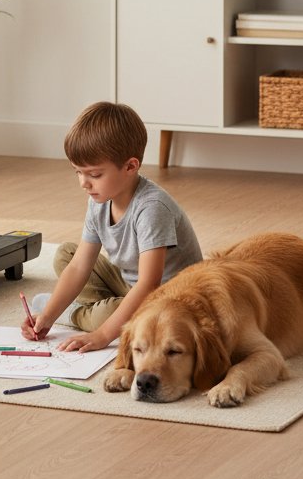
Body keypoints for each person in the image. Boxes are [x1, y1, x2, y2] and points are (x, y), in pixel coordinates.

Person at [22, 101, 203, 352]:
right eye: (77, 172)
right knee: (66, 254)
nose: (84, 183)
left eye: (94, 175)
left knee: (108, 316)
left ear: (130, 166)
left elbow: (150, 284)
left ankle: (78, 315)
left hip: (167, 298)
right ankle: (78, 308)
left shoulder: (152, 208)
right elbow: (79, 266)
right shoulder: (98, 201)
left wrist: (103, 335)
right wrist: (48, 316)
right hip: (130, 281)